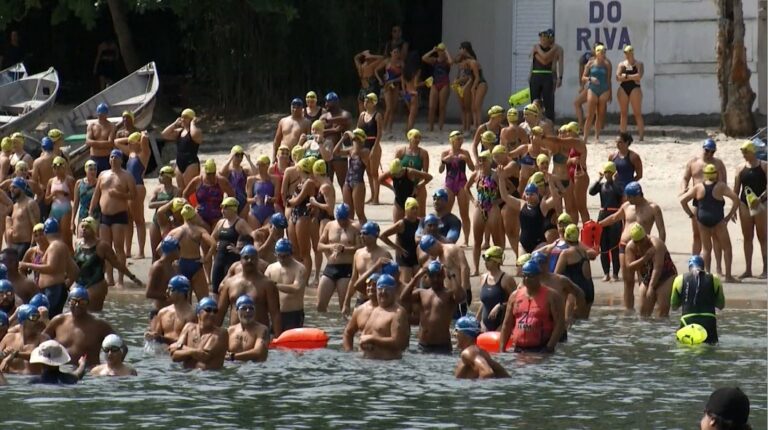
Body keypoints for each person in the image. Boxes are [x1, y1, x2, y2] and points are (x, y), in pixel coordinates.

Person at [599, 181, 665, 311]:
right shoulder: (626, 206)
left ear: (638, 195)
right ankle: (628, 313)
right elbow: (614, 218)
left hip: (643, 248)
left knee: (644, 282)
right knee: (628, 282)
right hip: (624, 246)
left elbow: (661, 230)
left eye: (629, 197)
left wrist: (658, 249)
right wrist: (598, 224)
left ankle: (644, 310)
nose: (627, 199)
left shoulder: (653, 208)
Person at [680, 164, 740, 282]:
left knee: (706, 249)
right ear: (716, 174)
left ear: (705, 175)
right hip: (718, 220)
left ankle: (707, 275)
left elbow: (683, 201)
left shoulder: (698, 187)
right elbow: (736, 199)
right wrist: (728, 216)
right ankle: (728, 276)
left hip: (702, 220)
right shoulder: (720, 186)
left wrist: (691, 215)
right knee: (727, 247)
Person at [90, 149, 136, 288]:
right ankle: (109, 279)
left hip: (119, 215)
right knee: (106, 248)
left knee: (119, 247)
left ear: (121, 160)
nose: (113, 159)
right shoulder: (103, 174)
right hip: (104, 216)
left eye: (116, 157)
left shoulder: (127, 176)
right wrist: (91, 211)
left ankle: (120, 280)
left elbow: (134, 195)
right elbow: (96, 194)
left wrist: (120, 195)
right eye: (111, 157)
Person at [74, 217, 140, 311]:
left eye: (87, 227)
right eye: (82, 226)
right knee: (76, 313)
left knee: (93, 313)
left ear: (94, 230)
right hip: (79, 283)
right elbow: (73, 265)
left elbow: (116, 264)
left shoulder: (102, 246)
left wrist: (132, 277)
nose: (84, 229)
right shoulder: (77, 243)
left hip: (96, 284)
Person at [498, 261, 565, 353]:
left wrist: (549, 347)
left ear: (539, 276)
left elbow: (560, 324)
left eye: (530, 276)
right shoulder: (514, 296)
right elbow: (507, 324)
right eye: (524, 276)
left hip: (541, 349)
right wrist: (502, 350)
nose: (526, 279)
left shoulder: (552, 296)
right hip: (518, 350)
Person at [400, 261, 466, 354]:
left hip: (442, 347)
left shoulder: (449, 294)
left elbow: (461, 297)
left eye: (438, 276)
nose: (435, 279)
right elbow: (403, 298)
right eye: (432, 276)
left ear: (443, 276)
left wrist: (451, 275)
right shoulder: (422, 293)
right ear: (427, 277)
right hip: (423, 345)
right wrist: (416, 277)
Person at [682, 139, 729, 263]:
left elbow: (724, 183)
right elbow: (685, 178)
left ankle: (718, 267)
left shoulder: (718, 164)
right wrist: (683, 189)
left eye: (712, 152)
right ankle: (694, 263)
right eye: (707, 151)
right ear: (703, 148)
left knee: (716, 236)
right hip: (698, 201)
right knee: (697, 235)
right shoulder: (693, 162)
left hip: (714, 201)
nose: (709, 154)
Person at [217, 245, 281, 334]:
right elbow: (220, 312)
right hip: (235, 335)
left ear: (258, 260)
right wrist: (214, 335)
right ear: (240, 260)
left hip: (259, 335)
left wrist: (278, 337)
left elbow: (275, 314)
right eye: (246, 258)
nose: (249, 260)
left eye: (253, 258)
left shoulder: (267, 284)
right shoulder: (230, 283)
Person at [44, 287, 115, 367]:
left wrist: (112, 366)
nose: (77, 305)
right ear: (68, 302)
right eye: (73, 301)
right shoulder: (59, 321)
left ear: (88, 303)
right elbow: (42, 340)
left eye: (82, 302)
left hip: (88, 372)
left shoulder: (99, 325)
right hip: (61, 369)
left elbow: (120, 346)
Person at [18, 218, 73, 317]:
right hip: (41, 289)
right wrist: (27, 284)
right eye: (36, 235)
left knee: (45, 316)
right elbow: (21, 269)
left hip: (53, 290)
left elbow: (52, 268)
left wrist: (65, 285)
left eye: (41, 234)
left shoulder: (54, 248)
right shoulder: (33, 251)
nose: (39, 237)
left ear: (45, 233)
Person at [624, 223, 676, 317]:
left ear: (646, 236)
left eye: (642, 240)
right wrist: (645, 258)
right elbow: (630, 267)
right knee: (643, 312)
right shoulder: (630, 247)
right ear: (634, 241)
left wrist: (651, 287)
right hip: (648, 275)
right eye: (637, 242)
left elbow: (657, 267)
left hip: (666, 274)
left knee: (662, 310)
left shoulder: (656, 244)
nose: (641, 244)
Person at [671, 255, 725, 345]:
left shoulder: (679, 279)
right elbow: (721, 305)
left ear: (689, 267)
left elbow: (674, 306)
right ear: (703, 267)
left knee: (685, 347)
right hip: (709, 321)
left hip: (687, 321)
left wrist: (685, 299)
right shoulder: (714, 278)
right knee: (710, 348)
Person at [733, 140, 767, 279]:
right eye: (743, 152)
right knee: (747, 237)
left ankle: (766, 269)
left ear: (753, 151)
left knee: (762, 237)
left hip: (761, 204)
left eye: (746, 152)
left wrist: (760, 198)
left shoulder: (764, 166)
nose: (744, 155)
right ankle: (748, 270)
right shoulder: (740, 168)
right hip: (744, 204)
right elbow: (736, 190)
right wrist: (733, 209)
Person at [166, 204, 215, 301]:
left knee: (184, 301)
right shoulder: (199, 230)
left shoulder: (175, 232)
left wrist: (171, 260)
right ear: (194, 216)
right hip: (196, 263)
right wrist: (206, 259)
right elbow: (213, 244)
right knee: (204, 300)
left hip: (181, 264)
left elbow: (160, 248)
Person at [341, 222, 391, 317]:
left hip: (378, 301)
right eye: (361, 233)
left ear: (375, 235)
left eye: (365, 233)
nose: (362, 236)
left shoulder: (384, 255)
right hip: (360, 300)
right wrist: (346, 302)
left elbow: (391, 281)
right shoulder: (358, 253)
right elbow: (353, 279)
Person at [114, 130, 150, 258]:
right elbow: (116, 142)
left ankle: (141, 252)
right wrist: (129, 139)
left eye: (131, 142)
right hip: (128, 188)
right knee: (128, 220)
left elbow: (145, 139)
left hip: (137, 187)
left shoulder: (143, 154)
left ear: (137, 143)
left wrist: (142, 135)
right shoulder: (130, 153)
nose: (128, 144)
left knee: (139, 220)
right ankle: (128, 250)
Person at [317, 204, 360, 312]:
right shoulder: (329, 225)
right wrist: (331, 246)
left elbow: (360, 248)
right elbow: (319, 246)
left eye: (344, 220)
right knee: (320, 306)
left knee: (343, 307)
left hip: (346, 269)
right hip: (330, 267)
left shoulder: (355, 227)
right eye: (340, 220)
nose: (342, 222)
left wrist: (344, 249)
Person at [466, 151, 504, 270]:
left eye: (484, 160)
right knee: (477, 241)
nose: (481, 162)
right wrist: (473, 201)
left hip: (492, 208)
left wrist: (499, 200)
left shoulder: (496, 175)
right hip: (480, 207)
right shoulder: (476, 174)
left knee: (496, 240)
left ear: (489, 161)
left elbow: (509, 189)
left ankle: (498, 267)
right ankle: (476, 269)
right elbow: (466, 188)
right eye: (480, 160)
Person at [418, 234, 471, 317]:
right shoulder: (438, 259)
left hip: (460, 293)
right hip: (450, 296)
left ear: (434, 244)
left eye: (430, 251)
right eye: (428, 252)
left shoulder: (452, 249)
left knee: (464, 320)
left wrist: (463, 290)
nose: (431, 254)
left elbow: (465, 267)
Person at [359, 274, 409, 360]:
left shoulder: (398, 313)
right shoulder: (376, 311)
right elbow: (365, 334)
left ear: (394, 291)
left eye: (387, 289)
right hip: (369, 362)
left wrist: (373, 339)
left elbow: (399, 343)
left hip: (388, 364)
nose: (383, 292)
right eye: (380, 289)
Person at [170, 297, 228, 370]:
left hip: (210, 376)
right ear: (198, 313)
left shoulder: (220, 333)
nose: (212, 314)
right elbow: (174, 356)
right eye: (208, 310)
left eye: (215, 311)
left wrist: (181, 346)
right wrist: (194, 352)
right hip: (186, 375)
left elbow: (204, 356)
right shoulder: (189, 327)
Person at [589, 161, 624, 281]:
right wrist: (598, 179)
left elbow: (619, 193)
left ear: (614, 173)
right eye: (606, 172)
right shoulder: (602, 186)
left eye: (610, 172)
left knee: (614, 246)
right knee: (603, 246)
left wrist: (614, 181)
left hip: (614, 216)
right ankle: (606, 273)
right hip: (603, 215)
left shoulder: (618, 185)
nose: (607, 174)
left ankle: (615, 274)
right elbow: (591, 192)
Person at [211, 197, 252, 295]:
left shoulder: (240, 223)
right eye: (221, 208)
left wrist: (240, 251)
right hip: (219, 260)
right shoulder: (221, 222)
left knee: (231, 290)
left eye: (225, 208)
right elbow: (212, 237)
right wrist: (215, 244)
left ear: (233, 209)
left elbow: (253, 237)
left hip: (232, 261)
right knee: (215, 289)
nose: (222, 210)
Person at [554, 225, 596, 317]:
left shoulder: (566, 253)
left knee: (570, 321)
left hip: (576, 292)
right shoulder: (584, 252)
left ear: (566, 238)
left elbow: (556, 275)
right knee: (584, 322)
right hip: (589, 290)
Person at [265, 239, 307, 330]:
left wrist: (274, 285)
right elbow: (263, 287)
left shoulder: (299, 268)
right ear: (275, 254)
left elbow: (296, 288)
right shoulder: (270, 268)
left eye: (285, 256)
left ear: (291, 254)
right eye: (279, 256)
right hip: (274, 314)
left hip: (293, 314)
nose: (282, 259)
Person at [379, 196, 423, 283]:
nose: (415, 211)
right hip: (404, 258)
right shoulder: (401, 224)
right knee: (405, 284)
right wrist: (397, 248)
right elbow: (383, 236)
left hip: (416, 257)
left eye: (416, 208)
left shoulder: (420, 222)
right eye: (412, 208)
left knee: (418, 284)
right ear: (406, 210)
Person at [146, 275, 197, 345]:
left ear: (181, 293)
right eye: (167, 288)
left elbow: (189, 343)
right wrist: (151, 336)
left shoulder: (191, 315)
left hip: (179, 351)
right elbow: (157, 337)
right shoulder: (163, 312)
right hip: (163, 350)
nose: (167, 291)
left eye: (171, 289)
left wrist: (164, 339)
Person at [379, 158, 433, 223]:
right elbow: (380, 180)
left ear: (401, 169)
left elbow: (429, 177)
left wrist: (418, 186)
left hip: (411, 201)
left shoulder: (410, 172)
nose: (396, 175)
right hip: (399, 201)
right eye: (394, 174)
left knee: (413, 225)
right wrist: (392, 188)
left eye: (397, 174)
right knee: (397, 225)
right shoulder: (392, 173)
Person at [477, 247, 517, 331]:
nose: (485, 262)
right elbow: (484, 302)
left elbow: (517, 302)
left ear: (496, 261)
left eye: (488, 260)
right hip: (485, 326)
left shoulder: (506, 279)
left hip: (502, 326)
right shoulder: (483, 278)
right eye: (485, 260)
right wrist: (477, 320)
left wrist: (500, 306)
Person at [0, 304, 48, 375]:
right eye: (33, 317)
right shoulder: (9, 337)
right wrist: (4, 354)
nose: (38, 321)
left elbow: (42, 356)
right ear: (23, 320)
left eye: (38, 317)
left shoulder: (43, 338)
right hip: (10, 379)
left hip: (34, 380)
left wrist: (16, 354)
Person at [162, 108, 202, 192]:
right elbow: (164, 134)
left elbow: (194, 135)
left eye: (185, 117)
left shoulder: (196, 131)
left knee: (190, 189)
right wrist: (174, 124)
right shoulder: (179, 132)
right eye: (182, 117)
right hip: (179, 163)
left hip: (191, 163)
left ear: (191, 119)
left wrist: (192, 123)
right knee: (181, 190)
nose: (182, 119)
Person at [334, 129, 368, 223]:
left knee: (360, 213)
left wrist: (350, 134)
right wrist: (342, 138)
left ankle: (365, 230)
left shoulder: (365, 151)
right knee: (348, 213)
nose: (354, 141)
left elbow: (357, 151)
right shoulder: (350, 150)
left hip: (358, 183)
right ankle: (351, 231)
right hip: (347, 181)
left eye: (356, 139)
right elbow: (335, 152)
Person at [148, 166, 180, 260]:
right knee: (155, 252)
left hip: (169, 221)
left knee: (168, 251)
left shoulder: (176, 190)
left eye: (162, 175)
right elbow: (150, 204)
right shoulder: (158, 190)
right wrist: (165, 203)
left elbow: (176, 206)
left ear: (168, 177)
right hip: (156, 220)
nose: (159, 177)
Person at [529, 29, 562, 121]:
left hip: (549, 75)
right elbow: (543, 59)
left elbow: (558, 63)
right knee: (535, 101)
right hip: (536, 76)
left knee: (548, 101)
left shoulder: (557, 49)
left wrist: (560, 77)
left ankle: (549, 122)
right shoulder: (536, 47)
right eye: (541, 38)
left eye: (545, 38)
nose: (543, 40)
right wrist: (530, 75)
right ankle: (534, 121)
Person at [582, 44, 612, 142]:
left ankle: (597, 136)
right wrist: (591, 79)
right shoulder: (590, 63)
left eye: (604, 52)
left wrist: (610, 93)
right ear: (597, 53)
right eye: (601, 52)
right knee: (590, 115)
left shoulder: (607, 64)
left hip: (604, 89)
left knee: (600, 114)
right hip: (593, 89)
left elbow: (609, 80)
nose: (603, 54)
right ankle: (585, 137)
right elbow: (583, 77)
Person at [357, 93, 383, 204]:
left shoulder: (377, 116)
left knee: (374, 173)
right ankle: (372, 195)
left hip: (374, 144)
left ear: (373, 103)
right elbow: (358, 131)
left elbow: (379, 133)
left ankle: (376, 198)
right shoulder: (362, 115)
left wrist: (375, 148)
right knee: (368, 172)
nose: (365, 103)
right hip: (364, 144)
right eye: (365, 101)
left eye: (368, 101)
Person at [342, 273, 379, 351]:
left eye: (374, 285)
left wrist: (373, 339)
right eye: (369, 285)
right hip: (362, 355)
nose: (371, 288)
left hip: (384, 357)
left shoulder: (392, 311)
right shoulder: (360, 310)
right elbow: (348, 333)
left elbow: (398, 341)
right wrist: (348, 352)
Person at [226, 295, 269, 362]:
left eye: (251, 308)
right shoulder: (230, 331)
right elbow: (221, 352)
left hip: (256, 367)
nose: (248, 311)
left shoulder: (262, 330)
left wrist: (233, 357)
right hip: (233, 366)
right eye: (244, 308)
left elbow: (258, 352)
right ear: (237, 310)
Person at [45, 157, 75, 250]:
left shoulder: (69, 180)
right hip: (54, 210)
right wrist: (53, 194)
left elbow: (74, 198)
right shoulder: (51, 181)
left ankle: (71, 256)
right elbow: (46, 201)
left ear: (64, 168)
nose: (57, 170)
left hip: (66, 210)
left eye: (59, 168)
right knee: (51, 236)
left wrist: (64, 193)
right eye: (54, 168)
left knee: (66, 238)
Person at [616, 45, 645, 140]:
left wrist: (626, 76)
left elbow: (639, 76)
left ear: (632, 53)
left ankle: (641, 136)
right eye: (625, 53)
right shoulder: (621, 64)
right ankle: (622, 136)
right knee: (623, 114)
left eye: (628, 53)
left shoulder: (639, 64)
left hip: (634, 88)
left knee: (637, 113)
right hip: (623, 88)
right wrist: (632, 77)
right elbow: (617, 77)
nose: (627, 55)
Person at [145, 236, 181, 313]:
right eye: (178, 248)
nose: (180, 251)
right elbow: (149, 293)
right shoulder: (158, 267)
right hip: (159, 311)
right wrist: (169, 296)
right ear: (172, 250)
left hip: (172, 310)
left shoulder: (174, 266)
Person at [422, 43, 452, 131]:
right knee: (431, 107)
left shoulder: (446, 61)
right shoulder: (434, 60)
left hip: (444, 84)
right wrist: (433, 50)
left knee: (442, 107)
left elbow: (451, 62)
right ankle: (430, 127)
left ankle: (440, 127)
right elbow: (424, 58)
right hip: (435, 83)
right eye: (439, 51)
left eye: (441, 51)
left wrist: (446, 51)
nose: (440, 52)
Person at [7, 177, 38, 260]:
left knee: (20, 266)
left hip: (25, 244)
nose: (11, 190)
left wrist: (32, 245)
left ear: (21, 189)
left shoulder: (30, 203)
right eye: (10, 187)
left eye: (14, 187)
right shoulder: (14, 206)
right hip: (14, 244)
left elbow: (35, 226)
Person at [85, 103, 115, 174]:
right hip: (94, 158)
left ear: (106, 114)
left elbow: (110, 143)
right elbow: (88, 142)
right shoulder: (91, 125)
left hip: (106, 158)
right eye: (99, 114)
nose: (101, 116)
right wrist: (104, 143)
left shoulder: (111, 126)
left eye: (102, 114)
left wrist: (94, 143)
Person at [73, 160, 100, 234]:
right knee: (81, 237)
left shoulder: (99, 182)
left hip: (96, 216)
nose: (93, 172)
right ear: (86, 170)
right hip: (83, 215)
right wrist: (72, 221)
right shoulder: (79, 183)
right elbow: (75, 203)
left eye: (95, 169)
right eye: (90, 169)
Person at [381, 46, 404, 133]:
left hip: (396, 85)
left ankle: (390, 127)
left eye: (397, 52)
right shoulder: (387, 61)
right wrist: (380, 80)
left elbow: (403, 77)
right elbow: (376, 70)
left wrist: (394, 80)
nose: (396, 53)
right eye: (394, 52)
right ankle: (383, 127)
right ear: (391, 53)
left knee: (393, 108)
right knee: (389, 107)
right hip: (387, 85)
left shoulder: (401, 63)